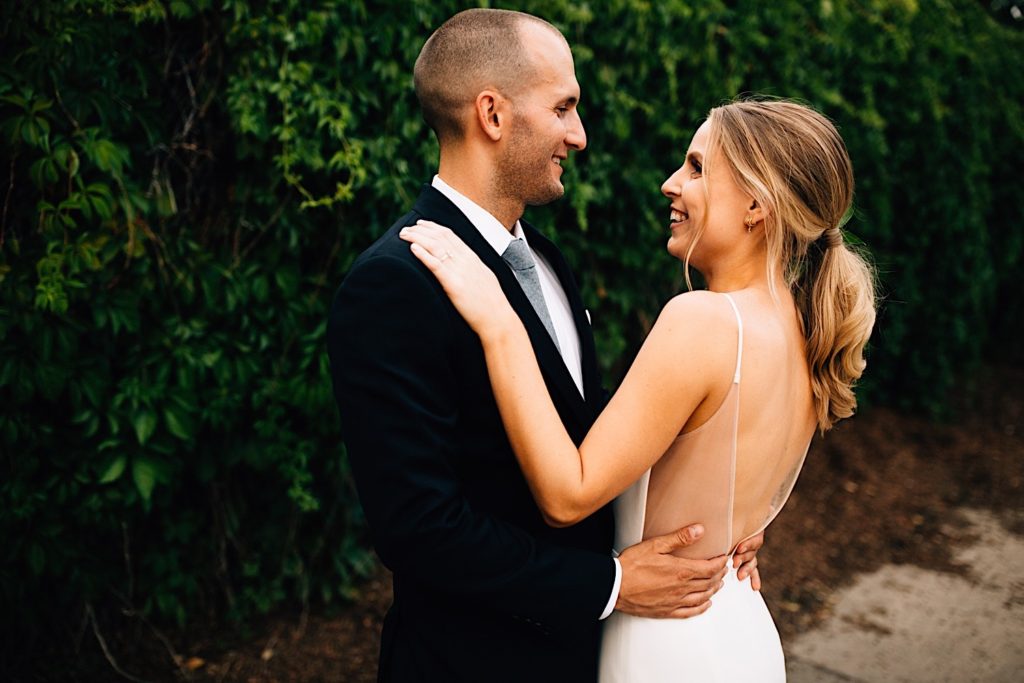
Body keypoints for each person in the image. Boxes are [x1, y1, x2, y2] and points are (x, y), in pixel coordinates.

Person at [327, 9, 763, 682]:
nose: (579, 136)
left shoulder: (549, 261)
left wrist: (716, 521)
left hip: (585, 659)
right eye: (564, 108)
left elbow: (592, 438)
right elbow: (419, 527)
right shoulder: (392, 283)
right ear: (493, 115)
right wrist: (609, 585)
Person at [400, 98, 877, 681]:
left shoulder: (704, 321)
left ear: (757, 205)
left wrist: (501, 324)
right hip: (737, 629)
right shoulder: (805, 333)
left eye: (698, 168)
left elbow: (567, 494)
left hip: (666, 645)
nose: (670, 184)